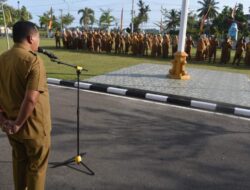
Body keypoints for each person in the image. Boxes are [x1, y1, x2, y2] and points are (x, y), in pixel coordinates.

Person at [0, 21, 51, 190]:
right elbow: (30, 99)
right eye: (38, 37)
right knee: (36, 168)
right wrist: (19, 124)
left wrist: (4, 121)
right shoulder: (33, 61)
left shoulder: (2, 59)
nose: (39, 42)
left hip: (11, 126)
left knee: (19, 163)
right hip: (33, 129)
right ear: (30, 38)